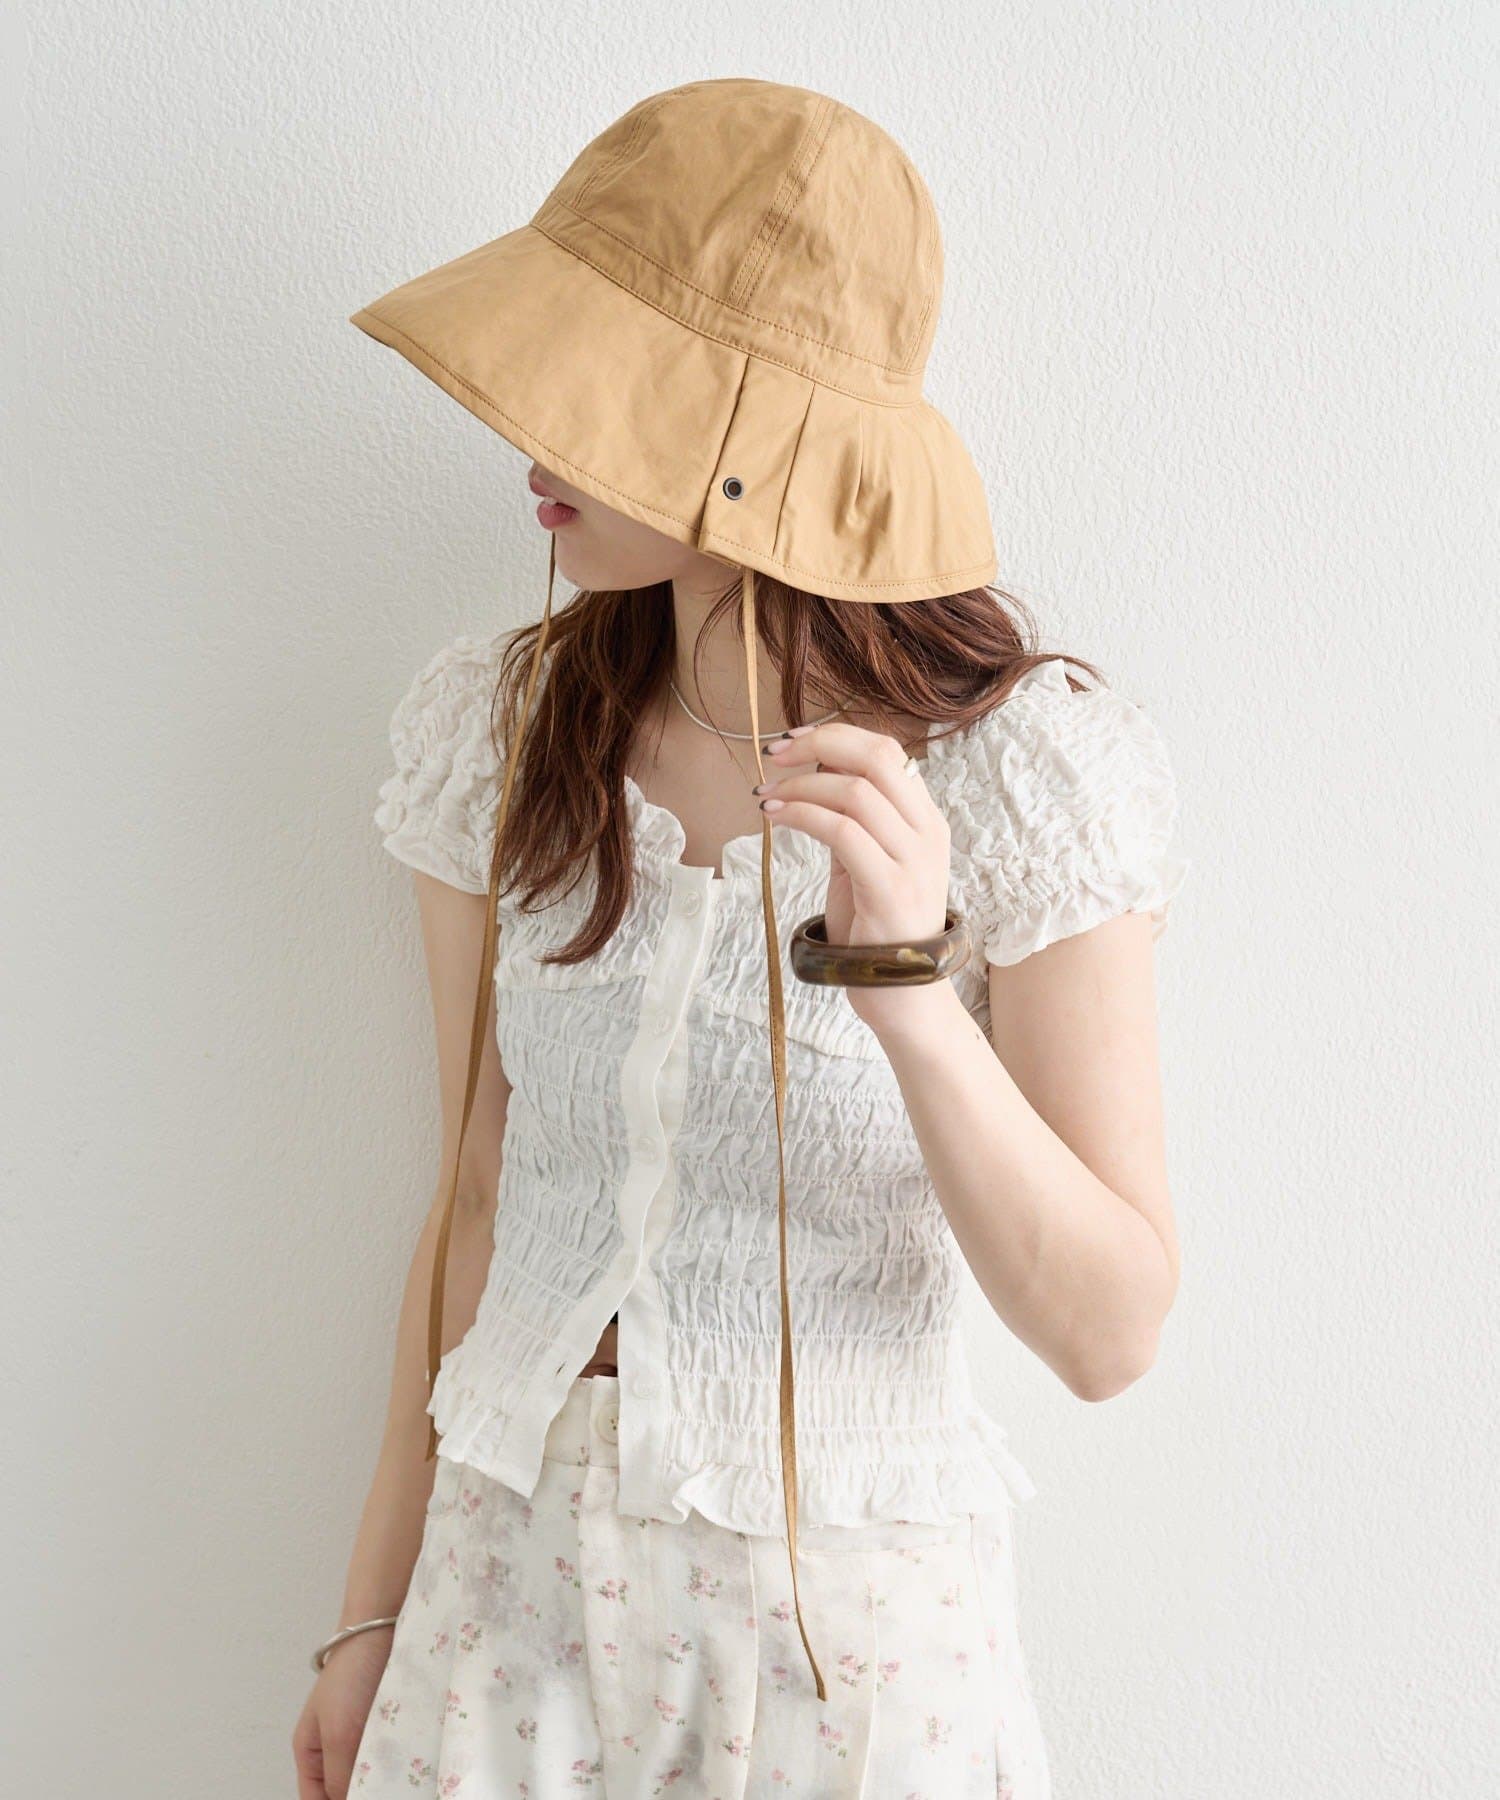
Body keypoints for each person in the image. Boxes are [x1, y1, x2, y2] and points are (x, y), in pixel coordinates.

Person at [292, 79, 1189, 1799]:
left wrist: (903, 988)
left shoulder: (1022, 768)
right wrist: (369, 1612)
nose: (529, 433)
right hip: (504, 1597)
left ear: (752, 439)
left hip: (852, 1642)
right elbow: (474, 1195)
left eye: (599, 384)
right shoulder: (500, 729)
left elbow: (1109, 1333)